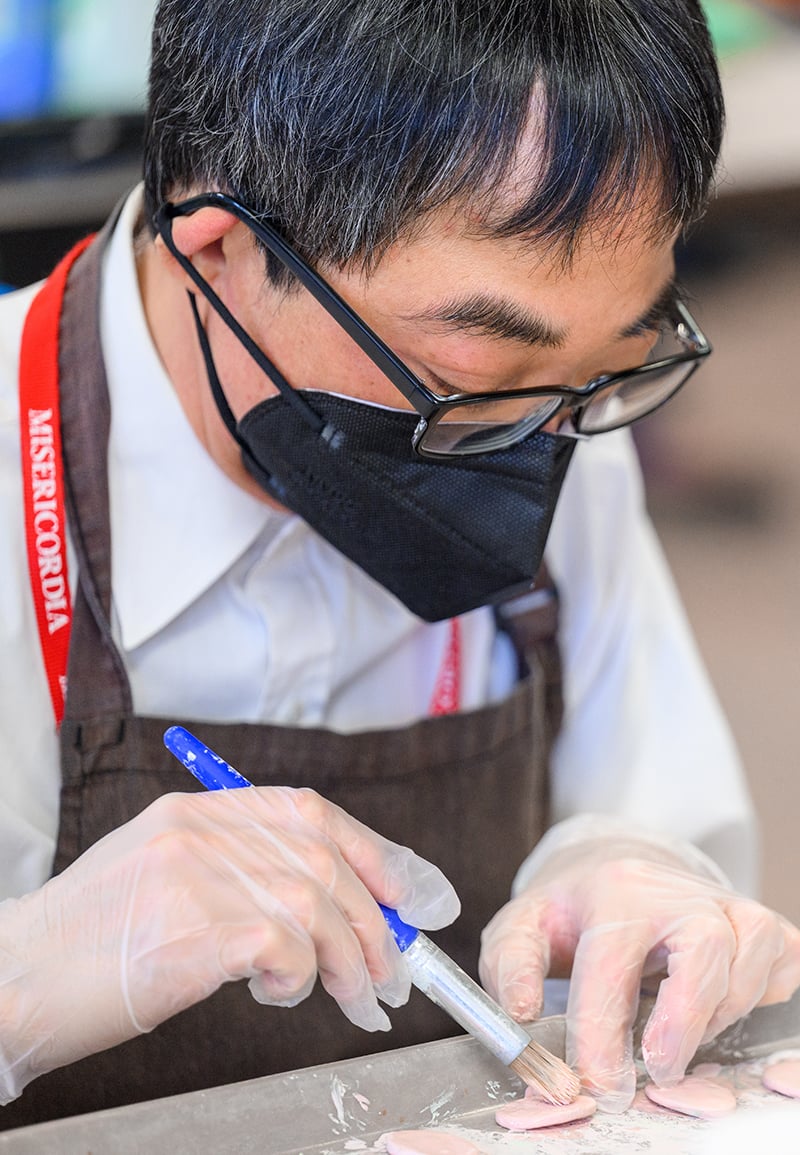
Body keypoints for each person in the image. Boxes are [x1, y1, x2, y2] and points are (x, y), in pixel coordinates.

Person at [1, 0, 798, 1130]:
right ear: (219, 247)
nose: (538, 448)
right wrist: (29, 980)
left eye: (611, 366)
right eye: (476, 384)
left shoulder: (552, 410)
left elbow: (647, 794)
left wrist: (638, 868)